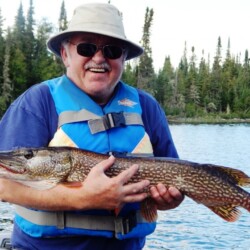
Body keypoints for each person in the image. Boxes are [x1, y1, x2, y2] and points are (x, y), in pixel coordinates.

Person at [0, 3, 184, 250]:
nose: (99, 58)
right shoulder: (37, 102)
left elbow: (178, 179)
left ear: (123, 58)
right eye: (86, 48)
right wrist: (82, 198)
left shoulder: (147, 107)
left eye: (112, 50)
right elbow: (3, 185)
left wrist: (170, 199)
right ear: (65, 55)